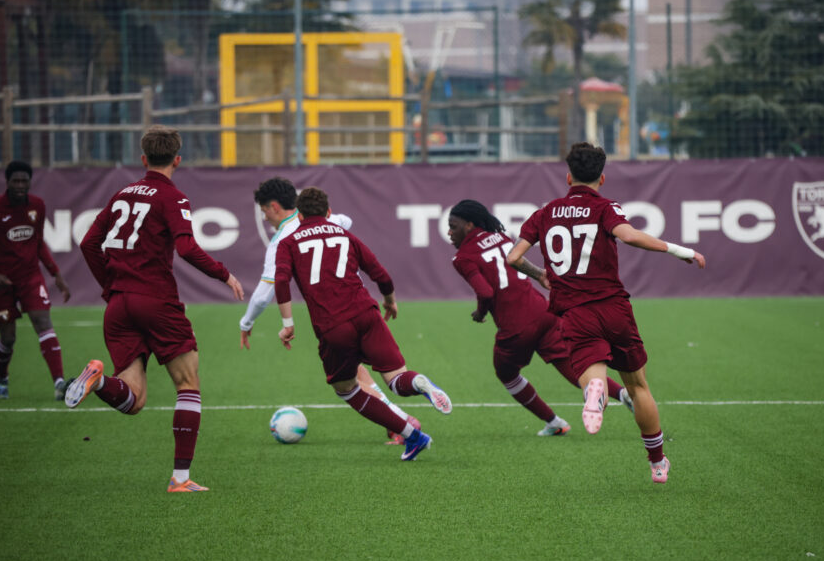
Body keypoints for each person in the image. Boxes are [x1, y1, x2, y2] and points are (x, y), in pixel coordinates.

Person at [506, 142, 706, 484]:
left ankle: (595, 390)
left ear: (568, 176)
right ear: (602, 178)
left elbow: (512, 257)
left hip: (573, 310)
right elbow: (628, 236)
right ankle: (657, 462)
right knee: (638, 385)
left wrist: (539, 274)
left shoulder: (544, 213)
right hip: (614, 306)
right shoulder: (604, 207)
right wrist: (679, 251)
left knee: (590, 371)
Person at [68, 125, 245, 493]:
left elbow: (88, 243)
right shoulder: (173, 197)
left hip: (119, 305)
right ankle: (180, 479)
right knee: (188, 383)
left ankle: (98, 380)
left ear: (144, 159)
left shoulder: (122, 194)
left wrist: (109, 286)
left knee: (133, 400)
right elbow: (186, 249)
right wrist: (224, 275)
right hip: (155, 301)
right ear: (177, 160)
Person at [274, 186, 452, 461]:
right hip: (367, 314)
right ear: (329, 212)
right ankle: (419, 384)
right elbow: (380, 273)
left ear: (298, 216)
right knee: (395, 379)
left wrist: (288, 323)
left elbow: (282, 280)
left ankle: (411, 434)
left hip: (334, 326)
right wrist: (390, 300)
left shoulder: (289, 242)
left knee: (347, 389)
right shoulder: (346, 236)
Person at [238, 176, 420, 444]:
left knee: (348, 383)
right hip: (360, 305)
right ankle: (400, 421)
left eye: (264, 210)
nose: (265, 217)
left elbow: (265, 295)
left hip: (331, 316)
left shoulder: (281, 242)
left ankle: (401, 424)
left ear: (275, 207)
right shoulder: (334, 222)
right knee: (364, 372)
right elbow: (345, 222)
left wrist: (246, 323)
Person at [447, 199, 634, 436]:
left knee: (505, 373)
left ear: (469, 225)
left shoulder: (462, 257)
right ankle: (624, 394)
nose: (449, 232)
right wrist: (538, 276)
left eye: (453, 226)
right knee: (571, 365)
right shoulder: (501, 237)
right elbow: (518, 261)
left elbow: (485, 292)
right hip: (544, 312)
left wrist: (480, 312)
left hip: (516, 327)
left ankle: (553, 422)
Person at [0, 160, 72, 400]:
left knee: (43, 321)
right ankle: (1, 379)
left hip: (30, 278)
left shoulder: (37, 206)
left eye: (24, 181)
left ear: (29, 183)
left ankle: (59, 383)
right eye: (15, 181)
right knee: (8, 337)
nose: (20, 185)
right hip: (1, 283)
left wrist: (55, 274)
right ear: (7, 182)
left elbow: (38, 242)